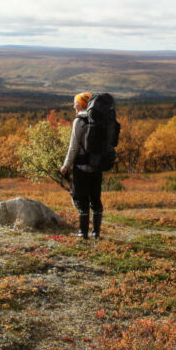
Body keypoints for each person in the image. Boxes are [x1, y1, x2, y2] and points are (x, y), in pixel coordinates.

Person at [60, 91, 103, 239]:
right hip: (97, 167)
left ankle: (82, 233)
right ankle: (96, 232)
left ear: (80, 104)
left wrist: (66, 165)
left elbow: (73, 147)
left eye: (75, 103)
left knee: (82, 199)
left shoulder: (79, 121)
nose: (73, 105)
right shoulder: (99, 120)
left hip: (81, 168)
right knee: (96, 199)